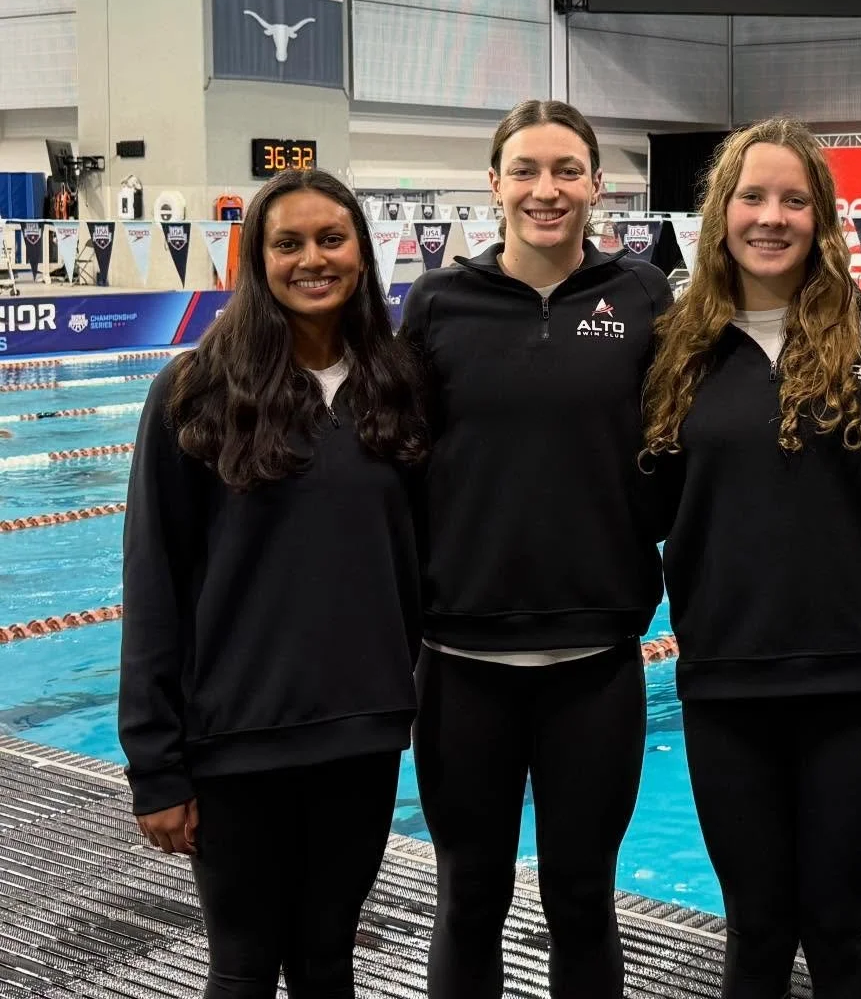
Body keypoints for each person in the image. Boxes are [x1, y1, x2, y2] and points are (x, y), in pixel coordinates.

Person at [118, 170, 428, 999]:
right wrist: (157, 765)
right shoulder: (195, 390)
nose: (312, 259)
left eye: (331, 239)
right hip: (237, 741)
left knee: (328, 962)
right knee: (244, 968)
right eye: (287, 244)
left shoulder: (394, 386)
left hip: (361, 736)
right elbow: (153, 582)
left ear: (362, 253)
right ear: (256, 262)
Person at [642, 117, 861, 999]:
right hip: (728, 678)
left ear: (822, 217)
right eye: (752, 197)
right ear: (720, 214)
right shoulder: (675, 347)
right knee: (756, 930)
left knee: (839, 929)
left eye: (794, 200)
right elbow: (636, 503)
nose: (771, 217)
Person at [402, 99, 672, 999]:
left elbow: (681, 446)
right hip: (461, 661)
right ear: (493, 184)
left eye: (565, 171)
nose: (544, 190)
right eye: (524, 170)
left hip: (595, 661)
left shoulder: (642, 294)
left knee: (584, 899)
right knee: (468, 897)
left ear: (597, 185)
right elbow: (397, 460)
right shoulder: (440, 302)